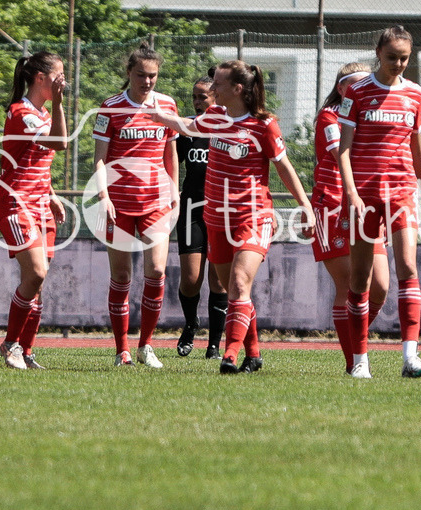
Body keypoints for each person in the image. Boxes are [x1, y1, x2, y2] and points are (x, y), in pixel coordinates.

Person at [152, 60, 315, 374]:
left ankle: (229, 356)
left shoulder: (264, 125)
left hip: (252, 216)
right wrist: (161, 117)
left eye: (219, 84)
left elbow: (283, 167)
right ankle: (253, 354)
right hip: (216, 216)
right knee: (236, 289)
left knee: (239, 284)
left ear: (237, 89)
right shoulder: (214, 116)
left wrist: (305, 205)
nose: (212, 90)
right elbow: (188, 127)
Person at [336, 26, 421, 378]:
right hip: (364, 193)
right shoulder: (358, 92)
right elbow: (343, 148)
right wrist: (350, 192)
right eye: (392, 56)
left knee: (408, 267)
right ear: (378, 53)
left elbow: (416, 147)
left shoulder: (415, 94)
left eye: (404, 58)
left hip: (402, 190)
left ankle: (411, 357)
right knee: (361, 278)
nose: (398, 63)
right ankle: (359, 361)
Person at [92, 43, 179, 368]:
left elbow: (170, 154)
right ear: (129, 73)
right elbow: (99, 160)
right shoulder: (110, 107)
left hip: (156, 202)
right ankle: (122, 350)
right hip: (119, 204)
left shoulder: (167, 105)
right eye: (141, 75)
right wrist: (104, 197)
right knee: (122, 277)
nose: (147, 81)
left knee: (156, 271)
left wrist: (175, 192)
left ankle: (146, 346)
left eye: (153, 76)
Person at [313, 63, 390, 378]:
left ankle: (353, 338)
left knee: (381, 287)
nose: (363, 90)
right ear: (342, 88)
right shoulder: (330, 115)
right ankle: (354, 361)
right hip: (332, 204)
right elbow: (340, 153)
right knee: (348, 286)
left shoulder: (367, 117)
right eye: (356, 84)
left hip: (366, 205)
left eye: (366, 84)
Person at [0, 52, 68, 370]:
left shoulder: (39, 112)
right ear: (41, 78)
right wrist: (61, 105)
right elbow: (59, 142)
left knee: (37, 280)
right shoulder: (21, 112)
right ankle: (10, 345)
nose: (64, 81)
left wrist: (51, 194)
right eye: (59, 75)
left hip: (40, 204)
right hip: (16, 204)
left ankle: (26, 350)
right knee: (35, 272)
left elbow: (35, 160)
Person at [174, 73, 227, 359]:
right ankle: (191, 324)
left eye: (202, 96)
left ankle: (215, 345)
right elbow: (171, 162)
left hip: (221, 211)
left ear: (216, 97)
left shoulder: (228, 129)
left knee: (218, 282)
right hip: (191, 209)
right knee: (191, 279)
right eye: (194, 97)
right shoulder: (188, 130)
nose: (196, 102)